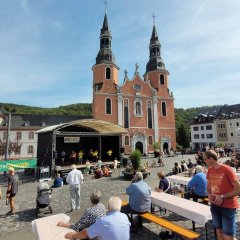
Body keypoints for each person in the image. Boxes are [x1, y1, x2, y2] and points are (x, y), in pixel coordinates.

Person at [204, 150, 240, 240]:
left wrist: (222, 196)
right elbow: (208, 187)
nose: (204, 161)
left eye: (205, 159)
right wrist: (209, 195)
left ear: (211, 159)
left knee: (227, 235)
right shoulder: (210, 170)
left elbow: (238, 189)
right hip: (215, 205)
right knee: (218, 231)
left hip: (228, 206)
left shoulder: (227, 169)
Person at [64, 196, 131, 240]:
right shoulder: (125, 217)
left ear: (108, 207)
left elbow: (86, 233)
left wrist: (73, 236)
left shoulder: (104, 221)